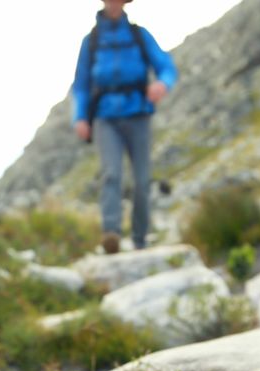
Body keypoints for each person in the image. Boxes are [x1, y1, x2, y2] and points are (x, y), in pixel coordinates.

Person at [72, 0, 178, 254]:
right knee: (111, 173)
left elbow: (166, 67)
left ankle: (140, 237)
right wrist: (80, 117)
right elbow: (81, 84)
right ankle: (112, 234)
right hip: (105, 116)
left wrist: (162, 83)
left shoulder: (139, 35)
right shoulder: (92, 41)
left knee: (142, 179)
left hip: (138, 112)